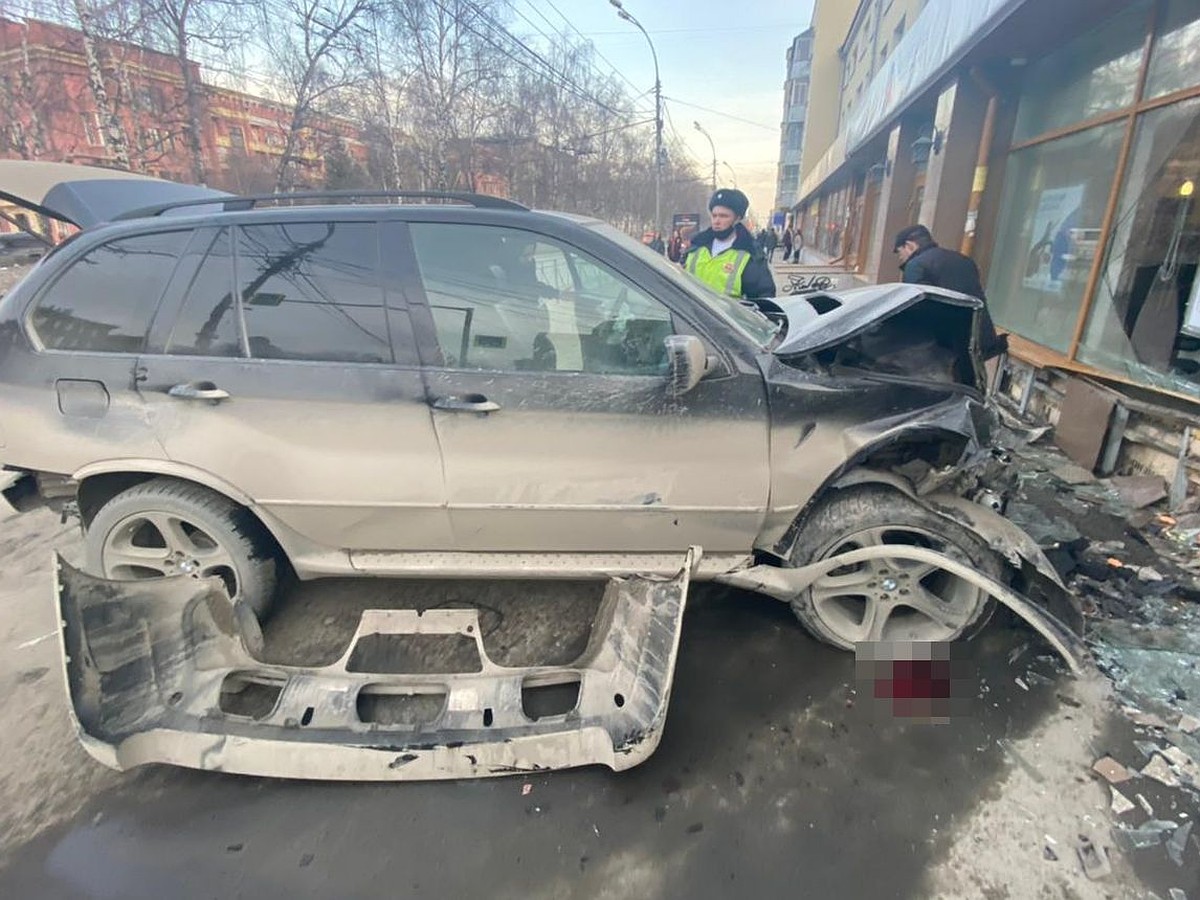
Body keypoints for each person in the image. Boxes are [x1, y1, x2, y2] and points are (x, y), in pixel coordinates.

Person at [893, 224, 1006, 358]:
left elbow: (917, 309)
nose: (900, 258)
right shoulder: (964, 260)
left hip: (948, 348)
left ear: (909, 245)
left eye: (900, 252)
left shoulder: (916, 266)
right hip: (981, 339)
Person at [683, 188, 776, 302]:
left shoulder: (750, 255)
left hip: (726, 318)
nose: (716, 221)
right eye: (714, 215)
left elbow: (764, 298)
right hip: (689, 317)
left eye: (723, 216)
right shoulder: (696, 247)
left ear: (737, 218)